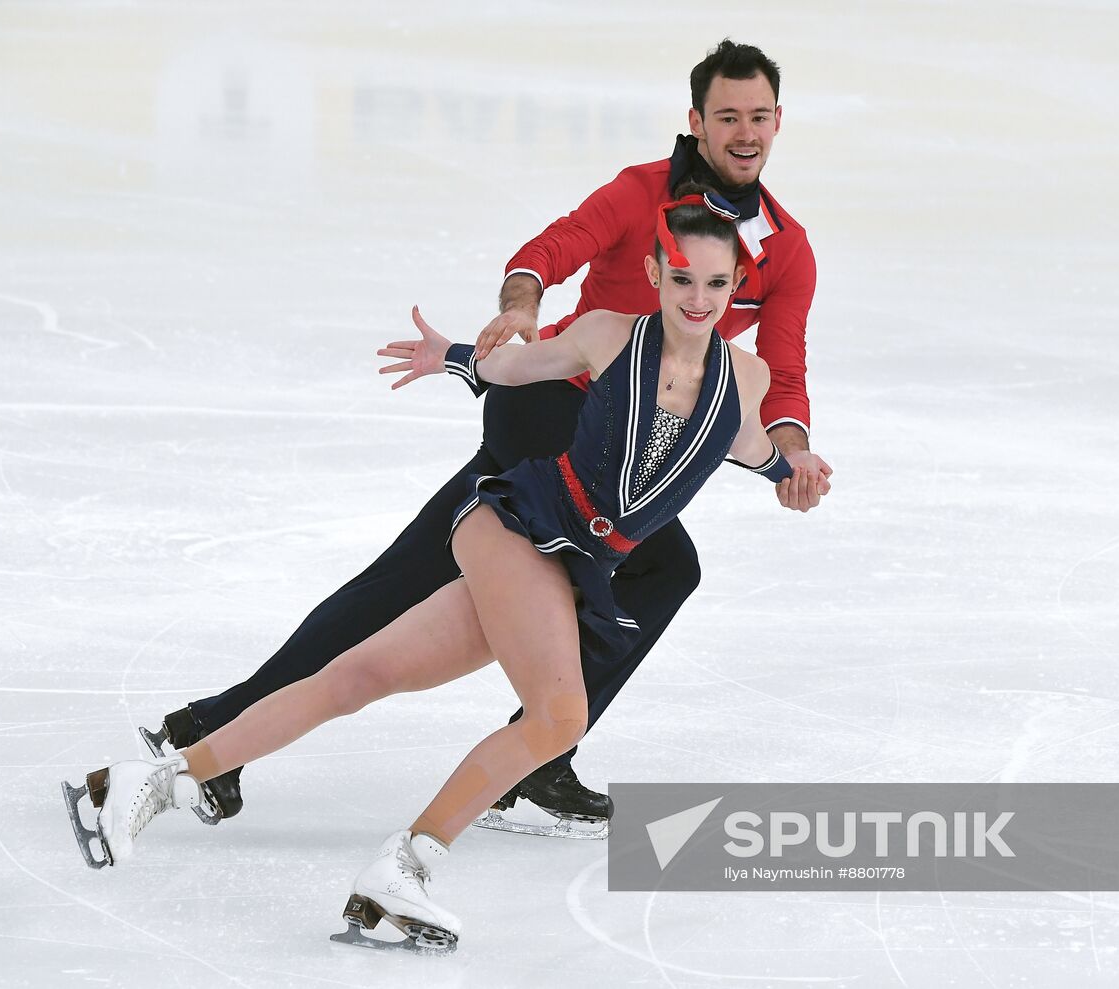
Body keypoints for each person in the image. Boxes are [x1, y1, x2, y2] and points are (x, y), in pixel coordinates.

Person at [62, 190, 827, 952]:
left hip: (572, 566)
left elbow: (751, 448)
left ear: (737, 288)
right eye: (683, 278)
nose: (699, 298)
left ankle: (146, 782)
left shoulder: (746, 381)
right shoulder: (610, 336)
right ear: (657, 273)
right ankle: (406, 865)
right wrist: (451, 357)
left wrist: (792, 470)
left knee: (359, 677)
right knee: (559, 715)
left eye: (718, 284)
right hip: (518, 527)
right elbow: (520, 366)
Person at [137, 38, 829, 837]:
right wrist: (523, 307)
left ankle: (209, 730)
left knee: (412, 578)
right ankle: (535, 750)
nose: (745, 132)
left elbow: (782, 371)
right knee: (662, 565)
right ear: (698, 123)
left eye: (759, 117)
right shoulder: (642, 194)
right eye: (727, 116)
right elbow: (545, 254)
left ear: (778, 122)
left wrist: (792, 447)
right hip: (549, 411)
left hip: (607, 447)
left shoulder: (786, 249)